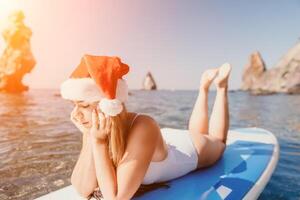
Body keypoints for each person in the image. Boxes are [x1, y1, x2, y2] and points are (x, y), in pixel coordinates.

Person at [60, 55, 231, 200]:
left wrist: (98, 143)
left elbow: (115, 197)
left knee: (218, 141)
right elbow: (82, 188)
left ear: (107, 105)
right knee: (198, 131)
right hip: (152, 144)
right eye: (73, 105)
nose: (75, 115)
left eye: (82, 105)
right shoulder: (95, 129)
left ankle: (219, 88)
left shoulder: (144, 125)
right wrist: (90, 137)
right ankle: (204, 88)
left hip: (189, 149)